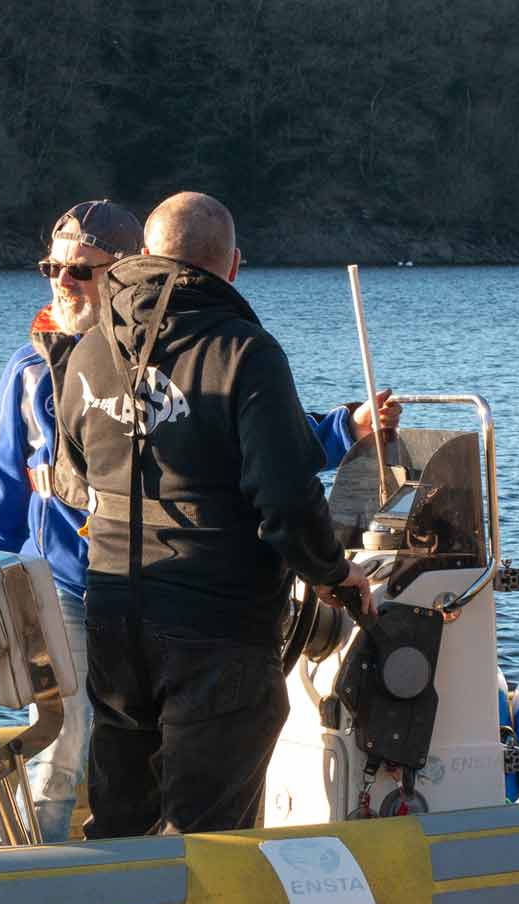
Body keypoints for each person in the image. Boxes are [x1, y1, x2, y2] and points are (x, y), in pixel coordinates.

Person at [55, 191, 376, 838]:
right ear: (232, 267)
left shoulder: (88, 352)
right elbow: (285, 499)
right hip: (218, 631)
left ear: (145, 256)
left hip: (114, 620)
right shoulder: (245, 353)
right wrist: (334, 573)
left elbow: (72, 481)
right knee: (210, 839)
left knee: (120, 822)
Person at [0, 199, 145, 841]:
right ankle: (31, 859)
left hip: (150, 589)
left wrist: (341, 429)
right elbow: (2, 491)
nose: (63, 283)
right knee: (66, 734)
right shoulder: (27, 372)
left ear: (125, 274)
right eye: (54, 268)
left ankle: (128, 850)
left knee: (137, 732)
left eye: (81, 272)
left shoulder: (156, 364)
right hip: (63, 589)